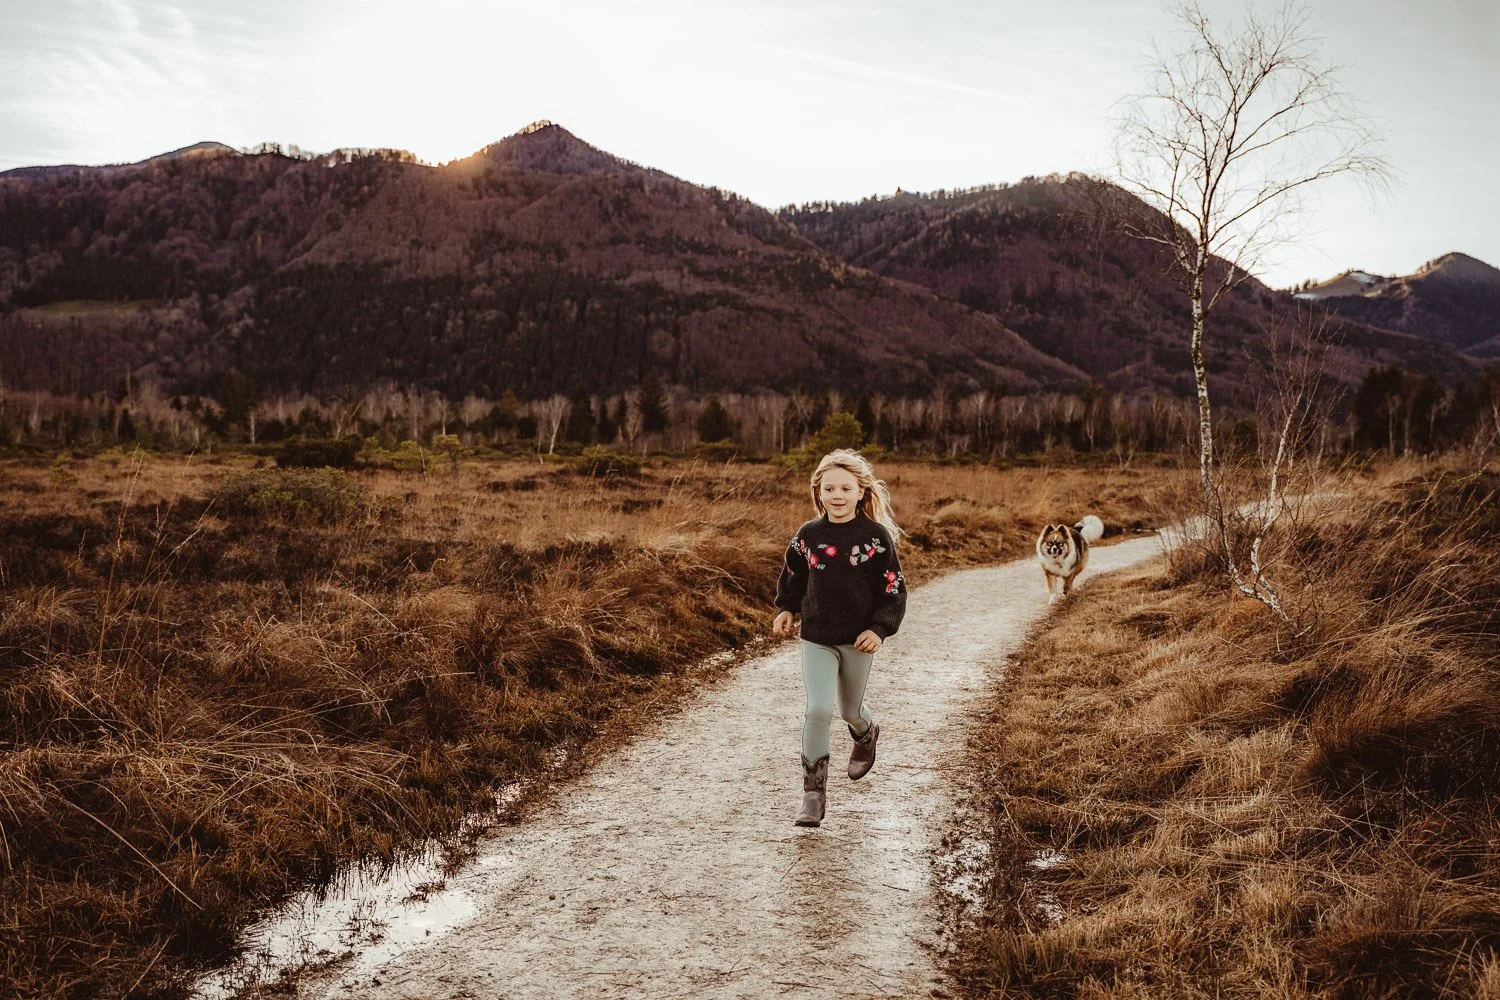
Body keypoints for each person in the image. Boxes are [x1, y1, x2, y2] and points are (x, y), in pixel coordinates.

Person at [772, 448, 906, 828]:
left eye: (845, 488)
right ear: (819, 492)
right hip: (817, 637)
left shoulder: (876, 538)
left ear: (861, 492)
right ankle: (813, 794)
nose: (837, 495)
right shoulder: (809, 536)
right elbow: (793, 576)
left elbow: (894, 589)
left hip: (858, 641)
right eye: (829, 488)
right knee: (818, 710)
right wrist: (786, 608)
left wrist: (878, 628)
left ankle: (866, 732)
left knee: (849, 711)